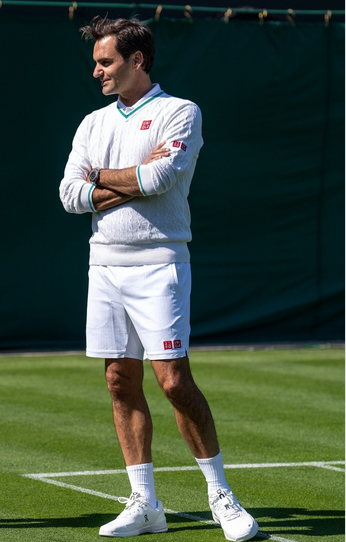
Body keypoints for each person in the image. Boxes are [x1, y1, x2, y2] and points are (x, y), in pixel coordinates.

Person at [59, 17, 258, 542]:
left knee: (173, 381)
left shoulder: (180, 112)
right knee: (119, 381)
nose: (97, 71)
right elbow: (69, 196)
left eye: (106, 62)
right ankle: (145, 503)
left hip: (160, 263)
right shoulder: (92, 123)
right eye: (97, 62)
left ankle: (220, 494)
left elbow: (160, 177)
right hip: (104, 265)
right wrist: (126, 180)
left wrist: (98, 177)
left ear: (137, 60)